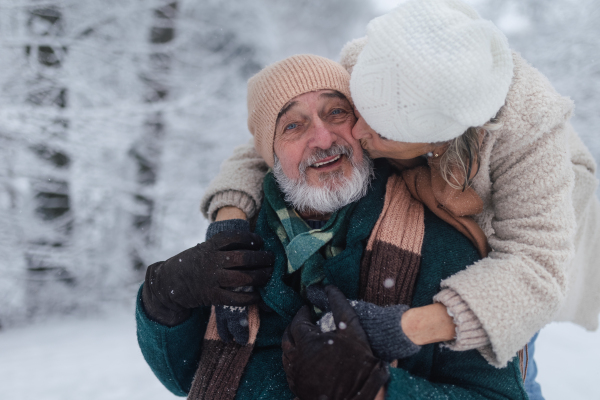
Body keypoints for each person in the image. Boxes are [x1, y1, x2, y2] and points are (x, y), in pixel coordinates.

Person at [201, 1, 600, 399]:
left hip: (516, 264)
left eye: (378, 130)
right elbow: (275, 133)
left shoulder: (529, 132)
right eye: (355, 111)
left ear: (432, 142)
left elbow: (536, 274)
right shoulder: (377, 65)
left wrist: (397, 329)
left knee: (508, 363)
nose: (354, 130)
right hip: (430, 223)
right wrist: (229, 223)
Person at [136, 54, 528, 400]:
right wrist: (161, 299)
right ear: (268, 154)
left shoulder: (440, 244)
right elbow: (183, 375)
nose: (323, 138)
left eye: (336, 112)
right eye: (293, 125)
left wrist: (377, 389)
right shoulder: (238, 242)